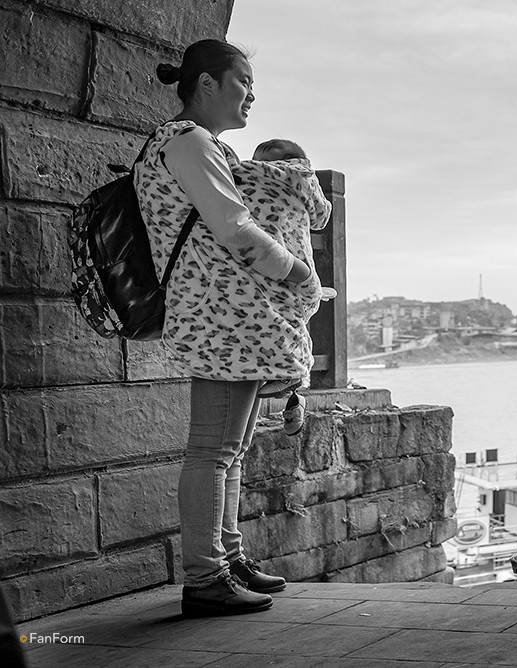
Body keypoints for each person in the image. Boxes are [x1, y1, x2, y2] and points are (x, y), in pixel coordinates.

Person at [135, 39, 314, 616]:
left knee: (228, 452)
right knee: (212, 450)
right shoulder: (188, 142)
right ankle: (205, 576)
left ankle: (227, 559)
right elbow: (234, 227)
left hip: (225, 318)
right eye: (242, 82)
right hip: (218, 316)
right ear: (206, 83)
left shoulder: (193, 143)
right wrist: (294, 272)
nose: (251, 95)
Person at [234, 138, 335, 436]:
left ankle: (288, 380)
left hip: (259, 264)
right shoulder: (305, 180)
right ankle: (294, 377)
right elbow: (321, 217)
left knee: (270, 318)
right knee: (296, 321)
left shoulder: (243, 175)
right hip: (293, 265)